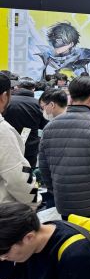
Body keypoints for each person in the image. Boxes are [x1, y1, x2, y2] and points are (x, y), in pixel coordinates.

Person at [39, 76, 90, 218]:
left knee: (71, 232)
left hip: (64, 202)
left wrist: (56, 191)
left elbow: (44, 168)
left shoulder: (49, 127)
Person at [0, 202, 90, 279]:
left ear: (29, 237)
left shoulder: (75, 254)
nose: (2, 258)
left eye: (4, 252)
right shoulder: (31, 241)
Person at [0, 73, 40, 208]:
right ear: (4, 96)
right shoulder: (3, 131)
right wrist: (36, 200)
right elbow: (18, 178)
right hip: (6, 210)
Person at [4, 78, 46, 169]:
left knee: (7, 170)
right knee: (27, 171)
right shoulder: (38, 104)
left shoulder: (7, 101)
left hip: (7, 143)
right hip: (30, 146)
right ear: (33, 89)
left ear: (17, 87)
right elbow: (43, 125)